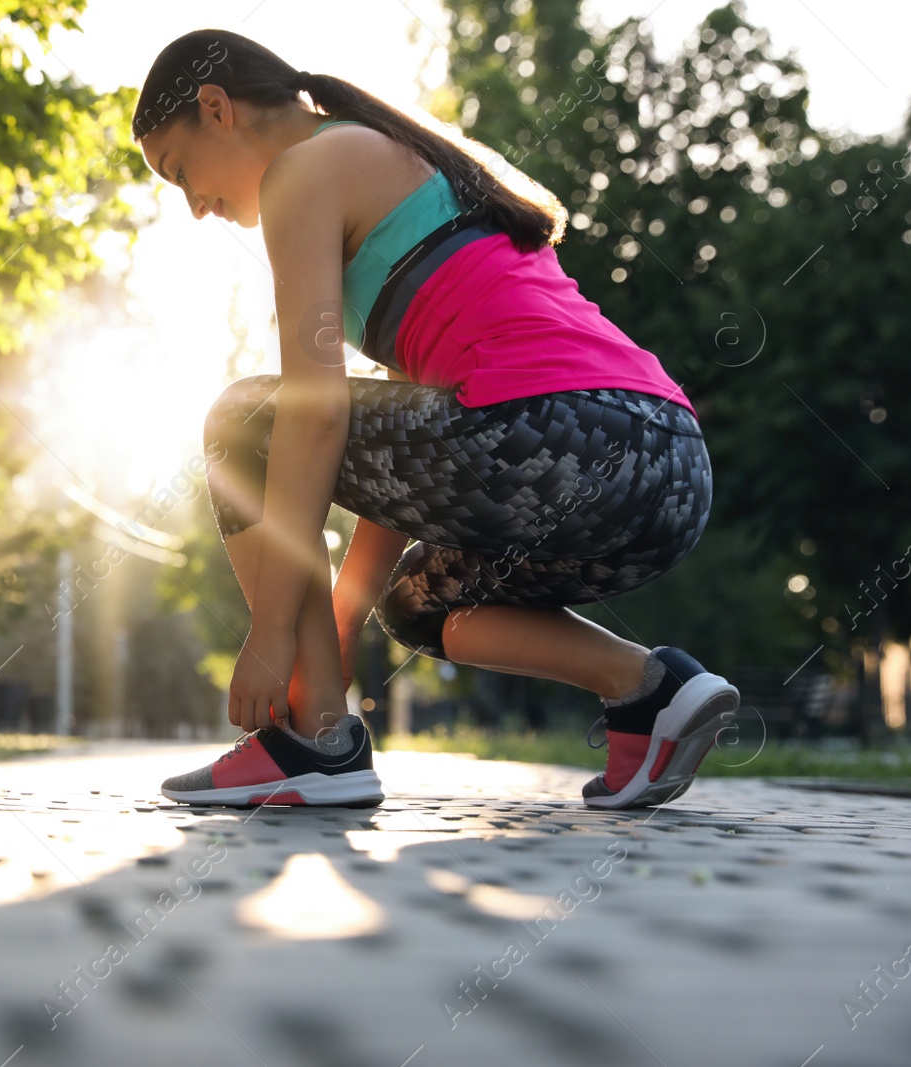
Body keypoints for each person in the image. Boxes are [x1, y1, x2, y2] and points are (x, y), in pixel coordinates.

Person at [133, 30, 739, 811]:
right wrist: (343, 617)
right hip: (668, 467)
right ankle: (650, 690)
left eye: (180, 172)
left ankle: (316, 740)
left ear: (216, 108)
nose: (194, 207)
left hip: (563, 431)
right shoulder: (392, 162)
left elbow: (313, 417)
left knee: (244, 418)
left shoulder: (305, 169)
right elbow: (398, 456)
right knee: (418, 601)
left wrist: (273, 634)